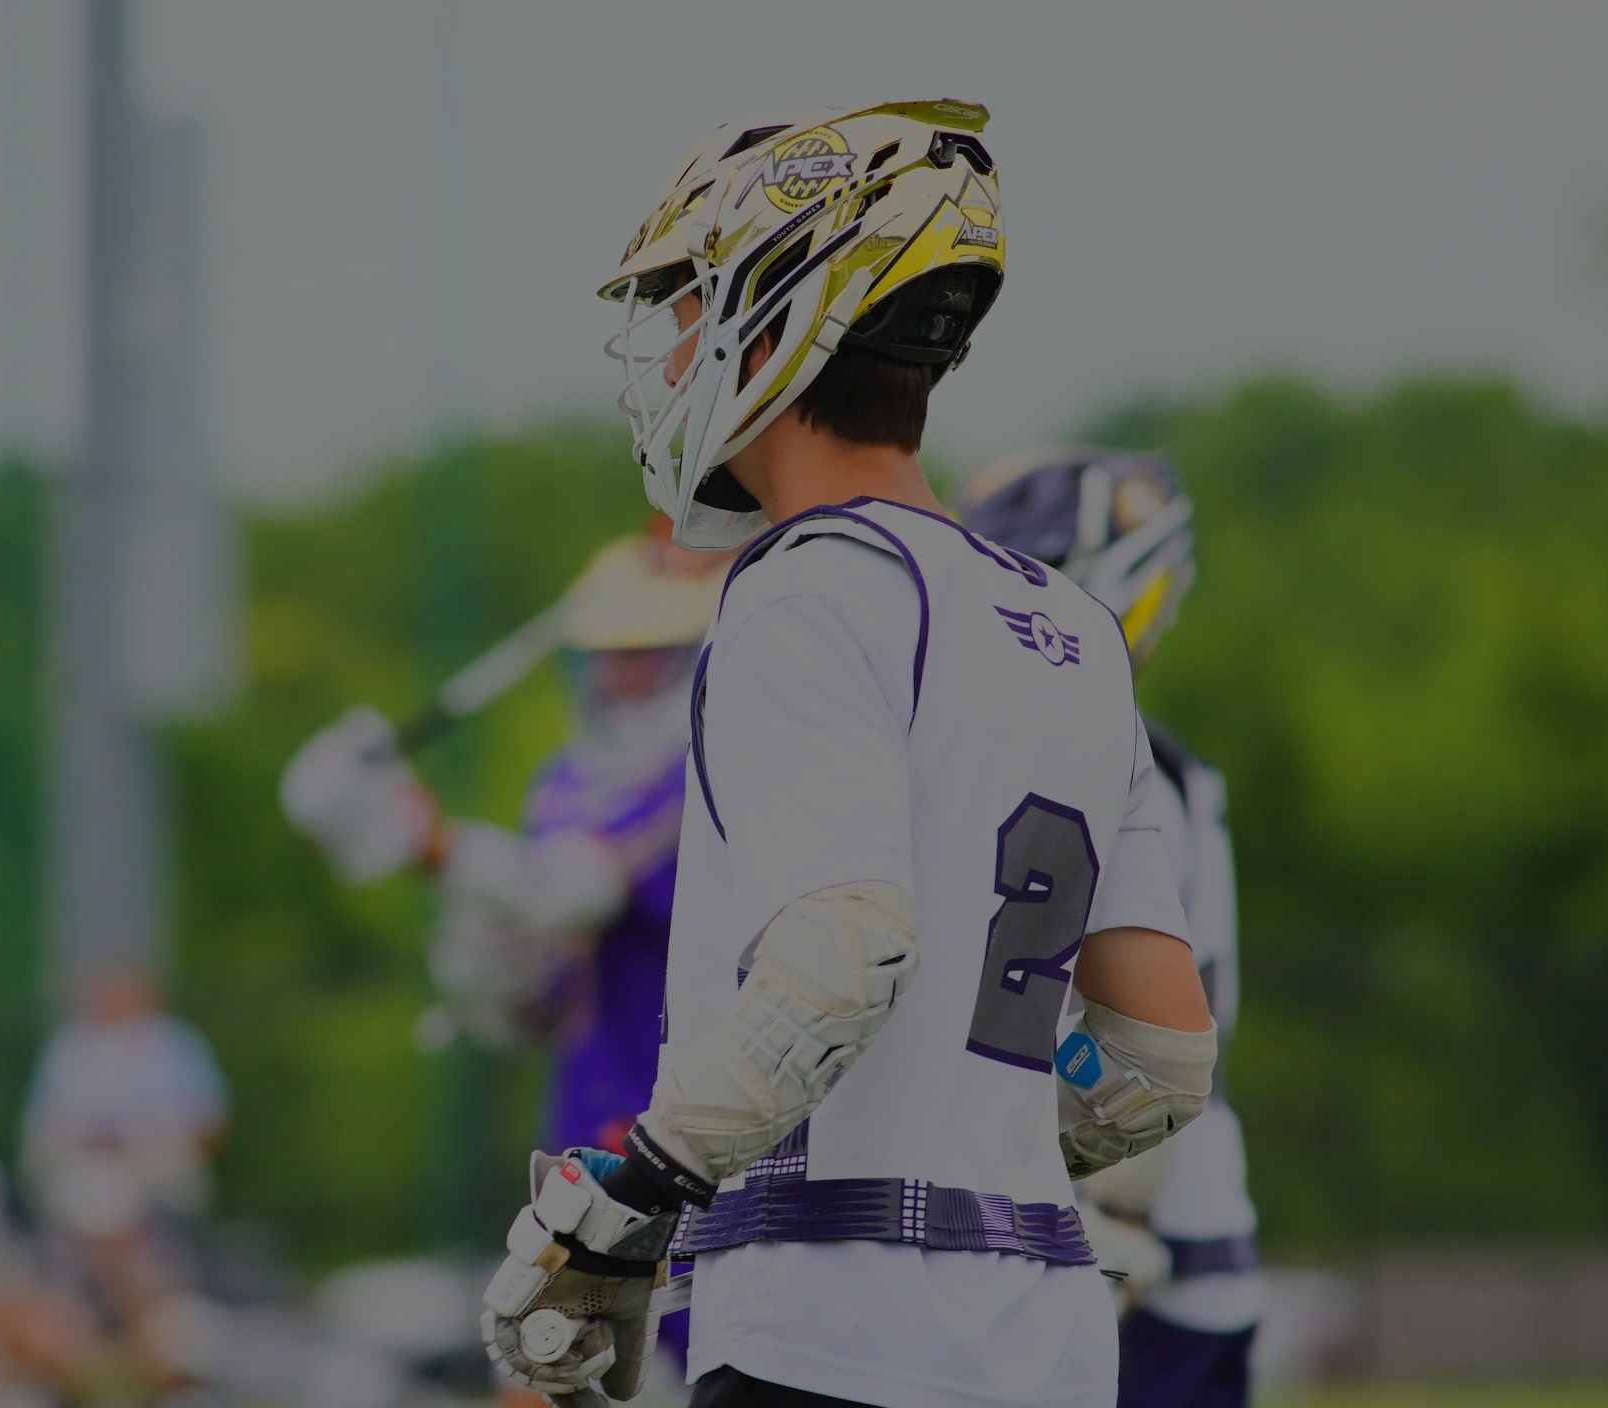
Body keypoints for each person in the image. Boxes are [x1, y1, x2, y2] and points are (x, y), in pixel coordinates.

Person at [477, 101, 1220, 1408]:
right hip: (1050, 1341)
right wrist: (981, 1155)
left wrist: (629, 1206)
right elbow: (1161, 1059)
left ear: (781, 317)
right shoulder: (1072, 628)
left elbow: (843, 955)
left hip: (832, 1329)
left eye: (692, 304)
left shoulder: (809, 587)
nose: (672, 350)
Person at [279, 522, 727, 1388]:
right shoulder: (563, 779)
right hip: (589, 1135)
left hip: (706, 1142)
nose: (619, 674)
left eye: (645, 649)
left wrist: (420, 836)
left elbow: (578, 886)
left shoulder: (705, 766)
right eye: (608, 652)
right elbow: (541, 991)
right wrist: (480, 957)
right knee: (541, 1371)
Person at [959, 447, 1260, 1408]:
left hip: (1142, 1242)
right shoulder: (1118, 752)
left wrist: (1114, 1203)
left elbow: (1160, 1033)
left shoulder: (1125, 765)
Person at [20, 965, 231, 1387]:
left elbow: (210, 1121)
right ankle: (127, 1326)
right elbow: (47, 1125)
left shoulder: (174, 1044)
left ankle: (135, 1329)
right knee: (93, 1193)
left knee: (106, 1198)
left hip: (155, 1165)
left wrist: (150, 1138)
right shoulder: (71, 1048)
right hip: (86, 1170)